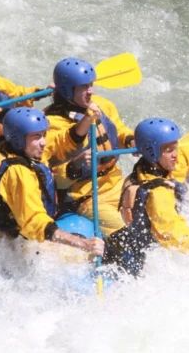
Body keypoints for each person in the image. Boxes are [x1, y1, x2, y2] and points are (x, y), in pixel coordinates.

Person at [104, 117, 189, 276]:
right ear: (152, 152)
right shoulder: (158, 194)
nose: (175, 155)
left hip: (125, 242)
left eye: (175, 148)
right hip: (133, 262)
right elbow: (176, 235)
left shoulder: (151, 167)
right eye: (169, 150)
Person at [0, 107, 104, 257]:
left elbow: (63, 141)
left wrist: (86, 119)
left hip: (28, 234)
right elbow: (34, 222)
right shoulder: (17, 173)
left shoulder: (16, 149)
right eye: (37, 137)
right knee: (87, 256)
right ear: (18, 139)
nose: (43, 142)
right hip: (20, 244)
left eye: (44, 135)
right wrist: (82, 244)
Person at [43, 57, 135, 236]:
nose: (90, 91)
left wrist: (130, 138)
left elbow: (117, 128)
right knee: (127, 233)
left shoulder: (100, 105)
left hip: (117, 182)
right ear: (67, 91)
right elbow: (55, 175)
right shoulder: (52, 123)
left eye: (91, 85)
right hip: (86, 196)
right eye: (84, 87)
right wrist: (75, 164)